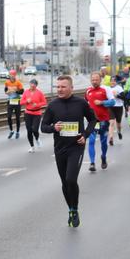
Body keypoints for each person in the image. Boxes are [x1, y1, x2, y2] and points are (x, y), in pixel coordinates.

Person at [41, 75, 97, 227]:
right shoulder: (53, 105)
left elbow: (93, 119)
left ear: (71, 88)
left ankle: (75, 208)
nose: (59, 89)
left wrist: (85, 135)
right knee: (65, 182)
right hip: (60, 148)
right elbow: (43, 127)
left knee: (71, 179)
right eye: (58, 87)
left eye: (63, 86)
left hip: (76, 147)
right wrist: (54, 128)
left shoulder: (80, 103)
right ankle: (71, 209)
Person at [84, 72, 115, 171]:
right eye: (92, 80)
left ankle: (103, 157)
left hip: (104, 120)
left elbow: (113, 102)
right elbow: (85, 103)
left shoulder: (106, 89)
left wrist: (102, 102)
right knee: (91, 141)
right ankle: (92, 163)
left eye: (96, 79)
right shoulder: (88, 91)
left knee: (103, 142)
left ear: (100, 80)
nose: (94, 81)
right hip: (92, 121)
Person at [20, 78, 47, 152]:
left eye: (34, 84)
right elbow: (21, 102)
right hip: (28, 113)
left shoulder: (39, 93)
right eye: (31, 84)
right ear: (29, 84)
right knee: (29, 131)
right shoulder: (26, 92)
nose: (32, 85)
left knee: (35, 130)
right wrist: (26, 101)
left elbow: (44, 102)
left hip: (37, 113)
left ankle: (37, 139)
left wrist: (37, 105)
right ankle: (32, 147)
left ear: (36, 85)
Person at [4, 69, 24, 139]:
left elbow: (22, 92)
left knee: (17, 118)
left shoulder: (18, 83)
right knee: (9, 117)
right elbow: (5, 90)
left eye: (13, 75)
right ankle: (11, 131)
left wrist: (16, 91)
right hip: (10, 101)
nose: (11, 76)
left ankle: (17, 132)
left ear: (15, 75)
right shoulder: (7, 82)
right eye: (10, 74)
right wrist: (7, 92)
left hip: (17, 101)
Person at [108, 76, 126, 141]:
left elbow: (124, 97)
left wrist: (117, 95)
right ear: (109, 82)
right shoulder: (108, 89)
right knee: (112, 122)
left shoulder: (119, 88)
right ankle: (111, 138)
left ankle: (119, 132)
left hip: (119, 107)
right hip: (111, 107)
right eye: (111, 81)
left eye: (114, 81)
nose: (112, 82)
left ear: (116, 82)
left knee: (118, 123)